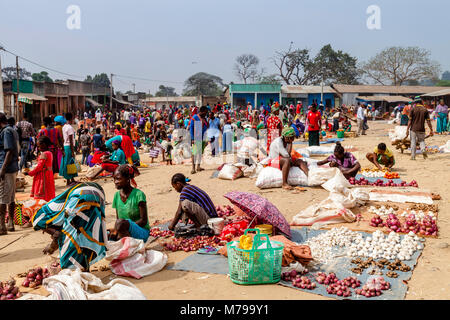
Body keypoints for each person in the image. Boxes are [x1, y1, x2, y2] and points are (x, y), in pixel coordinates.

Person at [32, 182, 107, 270]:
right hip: (97, 192)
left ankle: (71, 269)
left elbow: (58, 235)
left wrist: (51, 247)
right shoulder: (53, 208)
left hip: (81, 197)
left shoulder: (38, 219)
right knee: (84, 234)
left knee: (69, 239)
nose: (44, 231)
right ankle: (83, 267)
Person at [108, 165, 149, 242]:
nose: (115, 182)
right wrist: (117, 230)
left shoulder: (138, 194)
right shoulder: (116, 196)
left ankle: (129, 245)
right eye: (114, 179)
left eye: (118, 179)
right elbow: (118, 219)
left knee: (120, 224)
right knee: (106, 234)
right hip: (124, 230)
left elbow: (143, 221)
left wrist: (127, 226)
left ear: (127, 179)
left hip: (140, 231)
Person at [0, 113, 20, 235]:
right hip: (11, 168)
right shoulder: (11, 130)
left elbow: (9, 151)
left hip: (6, 168)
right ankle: (10, 223)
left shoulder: (6, 132)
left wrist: (2, 169)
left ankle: (2, 226)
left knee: (2, 197)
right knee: (10, 196)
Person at [24, 136, 55, 202]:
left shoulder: (44, 154)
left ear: (43, 145)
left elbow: (39, 167)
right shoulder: (50, 153)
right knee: (48, 191)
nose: (38, 148)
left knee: (42, 193)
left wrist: (30, 173)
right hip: (49, 175)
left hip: (42, 176)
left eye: (38, 146)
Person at [59, 113, 78, 186]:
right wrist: (73, 151)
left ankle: (72, 179)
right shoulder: (70, 128)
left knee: (69, 163)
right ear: (71, 118)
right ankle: (68, 181)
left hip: (65, 146)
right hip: (69, 147)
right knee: (69, 163)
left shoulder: (64, 127)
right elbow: (70, 139)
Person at [189, 106, 209, 174]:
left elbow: (206, 129)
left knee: (200, 153)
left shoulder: (204, 118)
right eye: (206, 112)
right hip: (196, 138)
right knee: (194, 153)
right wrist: (192, 138)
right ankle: (193, 168)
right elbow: (191, 128)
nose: (206, 114)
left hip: (203, 138)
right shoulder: (195, 117)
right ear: (202, 112)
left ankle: (198, 166)